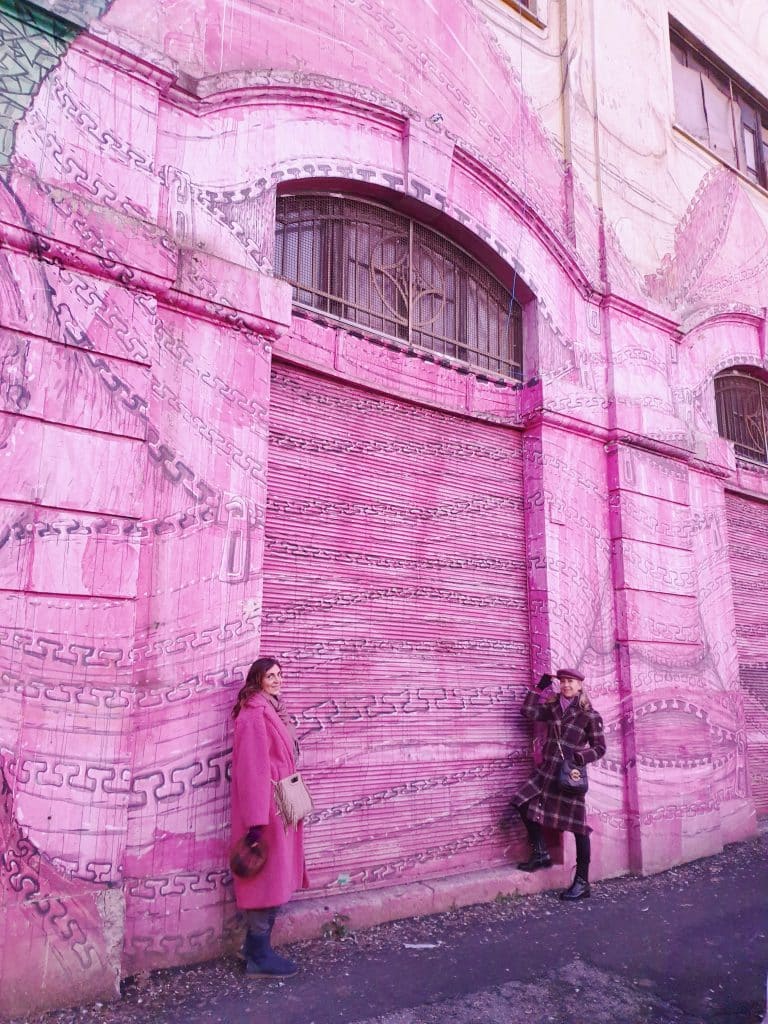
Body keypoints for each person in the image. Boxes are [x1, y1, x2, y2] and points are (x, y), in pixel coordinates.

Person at [231, 657, 309, 976]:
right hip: (266, 810)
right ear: (257, 680)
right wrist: (255, 821)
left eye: (279, 674)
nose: (277, 680)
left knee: (277, 875)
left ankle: (254, 950)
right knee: (266, 877)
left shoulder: (275, 709)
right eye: (270, 676)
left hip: (282, 801)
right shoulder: (254, 714)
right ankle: (259, 956)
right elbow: (252, 769)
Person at [510, 667, 606, 900]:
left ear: (580, 686)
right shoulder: (553, 708)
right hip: (546, 772)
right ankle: (541, 852)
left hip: (567, 777)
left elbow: (600, 748)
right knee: (521, 802)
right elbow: (528, 711)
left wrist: (580, 757)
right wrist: (539, 688)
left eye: (571, 682)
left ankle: (582, 882)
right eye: (563, 682)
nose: (566, 685)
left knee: (578, 829)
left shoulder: (589, 716)